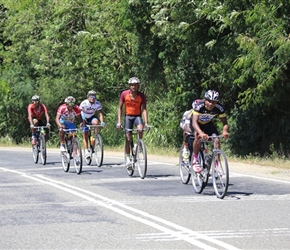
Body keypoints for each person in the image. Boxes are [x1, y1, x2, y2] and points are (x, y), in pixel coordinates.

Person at [191, 90, 229, 173]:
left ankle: (216, 167)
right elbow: (194, 122)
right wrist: (201, 133)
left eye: (214, 102)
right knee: (197, 137)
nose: (211, 104)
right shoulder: (199, 105)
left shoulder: (219, 108)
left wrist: (225, 131)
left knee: (216, 140)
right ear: (205, 100)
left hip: (208, 123)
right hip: (197, 123)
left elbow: (225, 122)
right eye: (209, 101)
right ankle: (195, 159)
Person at [116, 77, 150, 168]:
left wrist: (146, 123)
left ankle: (138, 145)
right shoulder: (124, 94)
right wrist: (119, 121)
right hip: (128, 117)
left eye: (135, 85)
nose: (133, 87)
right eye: (131, 85)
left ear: (138, 86)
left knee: (140, 128)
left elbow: (144, 110)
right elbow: (120, 108)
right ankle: (127, 158)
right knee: (128, 138)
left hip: (137, 116)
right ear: (129, 86)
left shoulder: (141, 96)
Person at [79, 90, 105, 160]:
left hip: (91, 117)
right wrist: (82, 120)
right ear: (88, 97)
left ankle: (95, 137)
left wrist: (102, 122)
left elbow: (100, 114)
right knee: (85, 134)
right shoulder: (84, 103)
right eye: (91, 96)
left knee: (96, 123)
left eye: (94, 96)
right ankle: (86, 151)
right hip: (84, 118)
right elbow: (79, 112)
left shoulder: (97, 103)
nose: (92, 98)